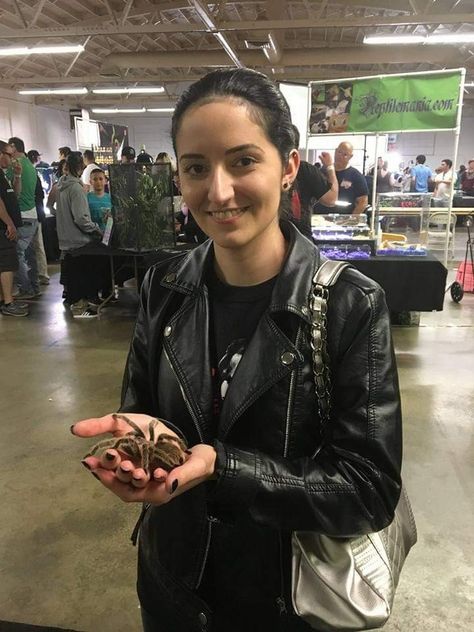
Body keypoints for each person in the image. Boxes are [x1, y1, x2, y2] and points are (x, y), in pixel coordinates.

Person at [72, 68, 402, 632]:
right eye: (196, 168)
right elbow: (143, 408)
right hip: (172, 583)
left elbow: (367, 490)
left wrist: (224, 468)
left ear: (289, 167)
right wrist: (134, 455)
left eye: (244, 161)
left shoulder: (351, 304)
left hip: (288, 601)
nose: (218, 192)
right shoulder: (165, 287)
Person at [55, 152, 103, 318]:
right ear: (79, 167)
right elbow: (81, 218)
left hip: (66, 239)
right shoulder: (76, 188)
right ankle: (80, 307)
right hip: (79, 241)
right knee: (82, 276)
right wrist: (96, 229)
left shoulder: (61, 185)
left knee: (72, 276)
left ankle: (76, 303)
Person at [289, 125, 338, 239]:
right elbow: (331, 199)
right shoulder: (306, 170)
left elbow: (331, 199)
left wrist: (330, 167)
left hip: (299, 240)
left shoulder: (305, 170)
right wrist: (330, 167)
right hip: (297, 241)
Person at [8, 136, 42, 299]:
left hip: (20, 216)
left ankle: (26, 288)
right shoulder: (31, 165)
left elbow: (13, 193)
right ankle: (34, 286)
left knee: (17, 254)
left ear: (14, 148)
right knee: (30, 254)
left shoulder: (14, 167)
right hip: (32, 215)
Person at [0, 140, 28, 316]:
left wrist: (17, 177)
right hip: (2, 228)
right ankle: (8, 303)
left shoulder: (3, 176)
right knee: (6, 264)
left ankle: (5, 299)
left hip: (7, 225)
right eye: (9, 154)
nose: (12, 158)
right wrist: (9, 223)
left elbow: (14, 196)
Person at [315, 141, 368, 214]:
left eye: (345, 154)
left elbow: (363, 201)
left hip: (344, 220)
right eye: (339, 152)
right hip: (320, 218)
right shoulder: (322, 172)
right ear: (335, 151)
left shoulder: (356, 175)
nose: (340, 156)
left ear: (350, 156)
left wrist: (352, 219)